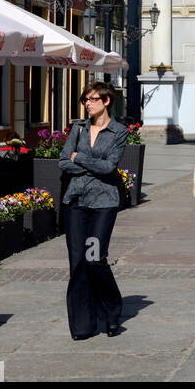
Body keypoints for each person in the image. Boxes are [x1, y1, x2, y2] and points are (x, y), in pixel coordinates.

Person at [59, 81, 129, 340]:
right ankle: (83, 325)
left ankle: (111, 312)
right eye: (85, 100)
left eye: (92, 99)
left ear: (106, 101)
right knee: (78, 263)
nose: (87, 104)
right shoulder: (78, 129)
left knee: (94, 259)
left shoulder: (118, 131)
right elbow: (64, 161)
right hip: (76, 202)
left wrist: (81, 159)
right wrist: (84, 162)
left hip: (103, 202)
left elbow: (109, 167)